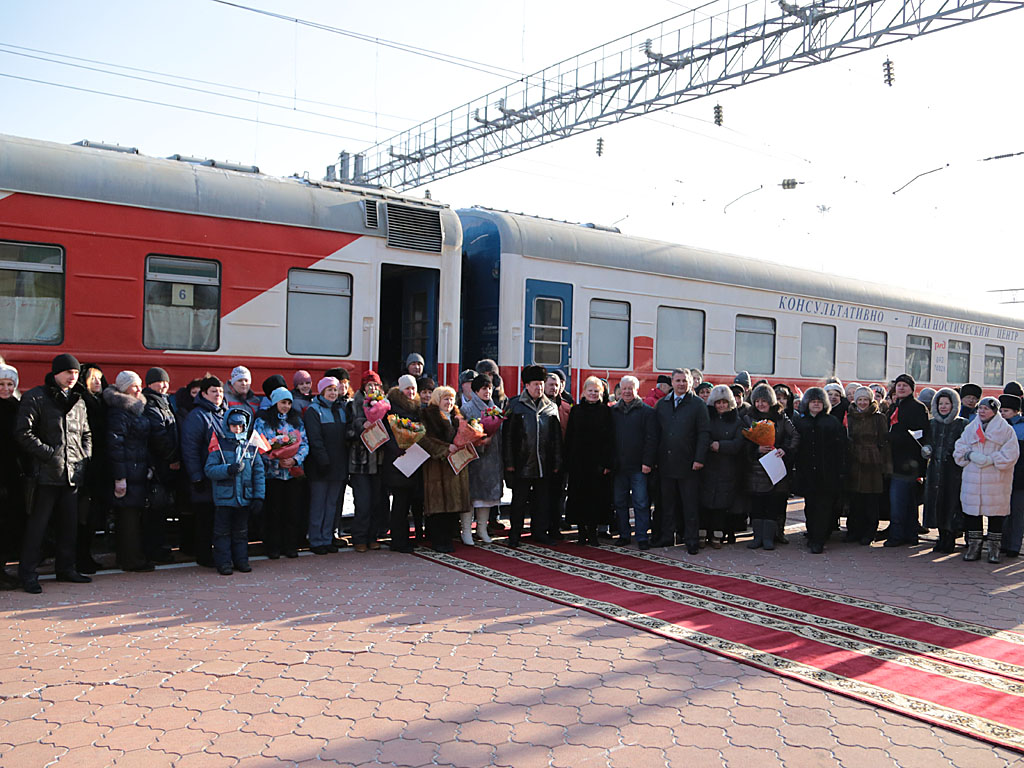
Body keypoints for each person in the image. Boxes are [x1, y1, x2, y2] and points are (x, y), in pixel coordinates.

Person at [16, 353, 93, 593]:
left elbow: (86, 433)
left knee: (69, 525)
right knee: (37, 527)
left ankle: (66, 568)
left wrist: (84, 456)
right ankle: (27, 574)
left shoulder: (78, 400)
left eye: (76, 373)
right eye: (68, 372)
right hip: (45, 474)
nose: (73, 377)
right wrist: (50, 454)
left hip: (71, 473)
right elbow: (23, 432)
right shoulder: (36, 396)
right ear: (56, 373)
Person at [503, 365, 563, 547]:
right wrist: (509, 462)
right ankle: (514, 535)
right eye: (536, 384)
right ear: (526, 385)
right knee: (519, 501)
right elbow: (507, 438)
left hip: (544, 463)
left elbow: (556, 438)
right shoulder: (515, 405)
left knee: (542, 501)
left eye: (541, 384)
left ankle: (540, 532)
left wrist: (557, 461)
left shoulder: (551, 407)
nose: (539, 388)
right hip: (522, 463)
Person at [954, 396, 1019, 563]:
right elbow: (960, 448)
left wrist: (992, 459)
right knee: (972, 513)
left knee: (996, 515)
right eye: (980, 408)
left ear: (995, 411)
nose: (982, 411)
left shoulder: (1006, 430)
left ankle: (993, 549)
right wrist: (971, 455)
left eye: (986, 408)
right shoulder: (970, 428)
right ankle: (974, 547)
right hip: (973, 477)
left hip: (996, 479)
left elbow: (1011, 453)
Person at [653, 368, 711, 554]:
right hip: (666, 462)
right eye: (677, 380)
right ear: (672, 382)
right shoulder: (662, 404)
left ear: (690, 382)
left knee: (690, 505)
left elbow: (704, 433)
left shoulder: (697, 405)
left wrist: (699, 458)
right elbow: (655, 434)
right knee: (667, 503)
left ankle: (691, 540)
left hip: (689, 464)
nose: (681, 384)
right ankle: (667, 536)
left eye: (684, 381)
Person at [104, 371, 154, 572]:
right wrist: (120, 477)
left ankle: (131, 557)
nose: (138, 389)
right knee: (128, 518)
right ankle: (130, 560)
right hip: (128, 472)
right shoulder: (120, 411)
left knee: (133, 517)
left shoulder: (135, 408)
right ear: (123, 387)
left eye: (139, 384)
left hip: (137, 470)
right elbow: (115, 445)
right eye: (134, 385)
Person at [205, 408, 264, 575]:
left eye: (240, 426)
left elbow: (258, 473)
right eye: (233, 426)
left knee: (241, 532)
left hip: (244, 498)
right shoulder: (219, 446)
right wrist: (227, 469)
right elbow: (209, 470)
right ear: (227, 426)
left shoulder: (251, 447)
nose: (237, 429)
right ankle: (224, 562)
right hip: (225, 498)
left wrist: (259, 496)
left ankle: (241, 560)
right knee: (222, 533)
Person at [255, 387, 309, 559]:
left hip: (292, 474)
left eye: (288, 403)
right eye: (282, 403)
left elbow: (304, 443)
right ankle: (273, 546)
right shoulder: (263, 421)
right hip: (273, 475)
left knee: (292, 511)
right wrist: (275, 459)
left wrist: (294, 460)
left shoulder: (296, 421)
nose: (286, 406)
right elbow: (259, 445)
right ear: (275, 403)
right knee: (274, 512)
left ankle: (290, 546)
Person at [179, 375, 227, 567]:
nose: (218, 395)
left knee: (219, 520)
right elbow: (189, 449)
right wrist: (196, 476)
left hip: (222, 477)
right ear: (204, 393)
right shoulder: (197, 416)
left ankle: (217, 553)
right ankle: (204, 556)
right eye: (214, 391)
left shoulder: (225, 413)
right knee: (205, 520)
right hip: (205, 479)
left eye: (221, 391)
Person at [744, 383, 799, 551]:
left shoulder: (781, 416)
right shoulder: (748, 417)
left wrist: (785, 450)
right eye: (757, 400)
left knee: (773, 503)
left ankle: (768, 538)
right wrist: (755, 449)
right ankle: (757, 537)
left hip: (775, 467)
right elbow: (743, 441)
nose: (761, 404)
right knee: (757, 504)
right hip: (756, 467)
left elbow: (795, 435)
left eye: (764, 400)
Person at [793, 387, 847, 554]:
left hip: (827, 473)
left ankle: (819, 539)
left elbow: (842, 448)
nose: (816, 404)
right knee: (810, 506)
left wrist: (841, 471)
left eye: (819, 402)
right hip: (808, 472)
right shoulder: (801, 423)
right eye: (813, 401)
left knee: (824, 507)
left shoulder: (832, 422)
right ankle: (812, 534)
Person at [419, 386, 472, 552]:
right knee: (438, 506)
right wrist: (445, 448)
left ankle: (448, 538)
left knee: (452, 505)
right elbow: (424, 439)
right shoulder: (428, 416)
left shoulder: (458, 417)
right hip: (437, 466)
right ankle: (437, 540)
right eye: (445, 399)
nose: (449, 402)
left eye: (451, 399)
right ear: (437, 400)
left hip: (455, 466)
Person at [564, 377, 614, 545]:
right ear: (583, 392)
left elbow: (610, 439)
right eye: (590, 390)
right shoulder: (576, 411)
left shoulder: (606, 412)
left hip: (598, 464)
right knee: (578, 498)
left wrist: (608, 463)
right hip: (578, 462)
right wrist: (568, 460)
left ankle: (593, 533)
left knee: (596, 499)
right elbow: (570, 436)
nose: (593, 394)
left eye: (596, 391)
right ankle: (580, 533)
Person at [610, 375, 656, 549]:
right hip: (619, 466)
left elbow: (651, 439)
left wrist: (647, 462)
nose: (627, 391)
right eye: (625, 388)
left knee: (641, 502)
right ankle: (624, 534)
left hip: (639, 466)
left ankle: (642, 536)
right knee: (620, 502)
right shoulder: (613, 411)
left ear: (637, 390)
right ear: (620, 390)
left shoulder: (647, 412)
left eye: (631, 388)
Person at [304, 376, 348, 555]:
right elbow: (315, 439)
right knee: (318, 504)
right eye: (329, 390)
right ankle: (315, 540)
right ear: (321, 391)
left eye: (335, 390)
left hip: (339, 464)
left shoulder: (342, 409)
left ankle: (328, 537)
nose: (332, 393)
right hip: (320, 466)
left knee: (332, 504)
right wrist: (323, 460)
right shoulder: (313, 411)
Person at [700, 385, 749, 549]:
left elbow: (738, 444)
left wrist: (720, 446)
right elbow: (700, 436)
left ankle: (717, 535)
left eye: (724, 402)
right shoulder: (707, 418)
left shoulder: (737, 421)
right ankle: (702, 533)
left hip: (727, 468)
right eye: (718, 402)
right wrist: (709, 445)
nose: (721, 406)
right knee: (705, 501)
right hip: (708, 467)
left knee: (722, 503)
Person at [885, 374, 930, 548]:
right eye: (899, 385)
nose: (901, 388)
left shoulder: (917, 407)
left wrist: (892, 437)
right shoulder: (895, 406)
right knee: (907, 501)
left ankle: (897, 535)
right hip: (894, 460)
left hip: (908, 462)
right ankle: (910, 535)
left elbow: (919, 435)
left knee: (900, 500)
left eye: (905, 385)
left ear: (912, 388)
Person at [920, 388, 967, 554]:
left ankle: (950, 537)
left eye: (947, 403)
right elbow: (928, 441)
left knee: (951, 503)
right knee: (936, 503)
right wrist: (926, 449)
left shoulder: (962, 423)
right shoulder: (933, 423)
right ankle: (941, 535)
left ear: (954, 405)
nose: (944, 407)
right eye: (941, 404)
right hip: (935, 471)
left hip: (954, 472)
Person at [382, 375, 424, 553]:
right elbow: (386, 435)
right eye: (407, 388)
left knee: (408, 502)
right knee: (400, 504)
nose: (411, 392)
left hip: (413, 461)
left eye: (413, 389)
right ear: (400, 390)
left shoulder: (417, 408)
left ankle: (406, 538)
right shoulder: (391, 408)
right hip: (398, 463)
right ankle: (398, 540)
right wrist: (399, 448)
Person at [73, 363, 108, 574]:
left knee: (93, 515)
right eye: (93, 378)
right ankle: (79, 557)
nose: (97, 382)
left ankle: (86, 554)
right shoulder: (82, 401)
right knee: (82, 515)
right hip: (85, 465)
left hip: (99, 466)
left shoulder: (100, 402)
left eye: (100, 378)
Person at [141, 367, 179, 564]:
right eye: (159, 382)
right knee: (155, 512)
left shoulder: (163, 402)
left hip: (163, 465)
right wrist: (173, 458)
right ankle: (154, 551)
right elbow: (159, 436)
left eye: (166, 382)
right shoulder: (151, 404)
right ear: (149, 384)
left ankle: (159, 549)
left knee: (160, 511)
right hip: (159, 466)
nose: (164, 385)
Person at [845, 386, 891, 545]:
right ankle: (853, 531)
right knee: (855, 499)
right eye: (860, 400)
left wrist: (885, 465)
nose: (863, 403)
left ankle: (869, 532)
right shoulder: (850, 416)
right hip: (854, 459)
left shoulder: (879, 418)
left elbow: (884, 442)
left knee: (870, 499)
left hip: (873, 461)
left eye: (865, 399)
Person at [347, 371, 387, 552]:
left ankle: (373, 536)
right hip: (360, 461)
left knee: (376, 502)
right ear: (363, 387)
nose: (372, 388)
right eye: (369, 385)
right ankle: (359, 538)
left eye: (376, 385)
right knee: (362, 502)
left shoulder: (384, 405)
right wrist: (360, 427)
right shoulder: (353, 404)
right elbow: (345, 432)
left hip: (378, 461)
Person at [460, 374, 502, 545]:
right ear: (476, 390)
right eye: (484, 389)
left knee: (486, 498)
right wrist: (478, 441)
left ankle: (482, 529)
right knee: (471, 497)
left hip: (492, 459)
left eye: (490, 388)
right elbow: (462, 435)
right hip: (473, 460)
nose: (487, 392)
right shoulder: (467, 409)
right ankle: (466, 530)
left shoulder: (497, 410)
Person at [0, 362, 25, 589]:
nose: (6, 388)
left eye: (10, 384)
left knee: (10, 525)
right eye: (1, 384)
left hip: (13, 475)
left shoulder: (18, 407)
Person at [999, 393, 1024, 559]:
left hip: (1020, 477)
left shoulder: (1021, 428)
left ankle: (1014, 546)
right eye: (1000, 410)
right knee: (1002, 511)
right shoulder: (998, 426)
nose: (1002, 413)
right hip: (1001, 477)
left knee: (1017, 512)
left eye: (1006, 410)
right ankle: (1003, 543)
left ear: (1016, 411)